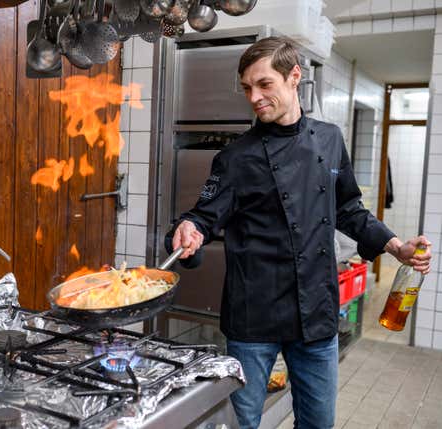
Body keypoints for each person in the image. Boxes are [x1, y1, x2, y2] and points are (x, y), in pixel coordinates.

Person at [165, 37, 432, 429]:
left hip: (315, 312)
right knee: (242, 423)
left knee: (318, 423)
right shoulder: (235, 157)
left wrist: (395, 247)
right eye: (247, 88)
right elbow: (203, 216)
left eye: (264, 84)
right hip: (253, 314)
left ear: (294, 77)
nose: (254, 97)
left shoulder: (328, 139)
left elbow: (347, 208)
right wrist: (189, 227)